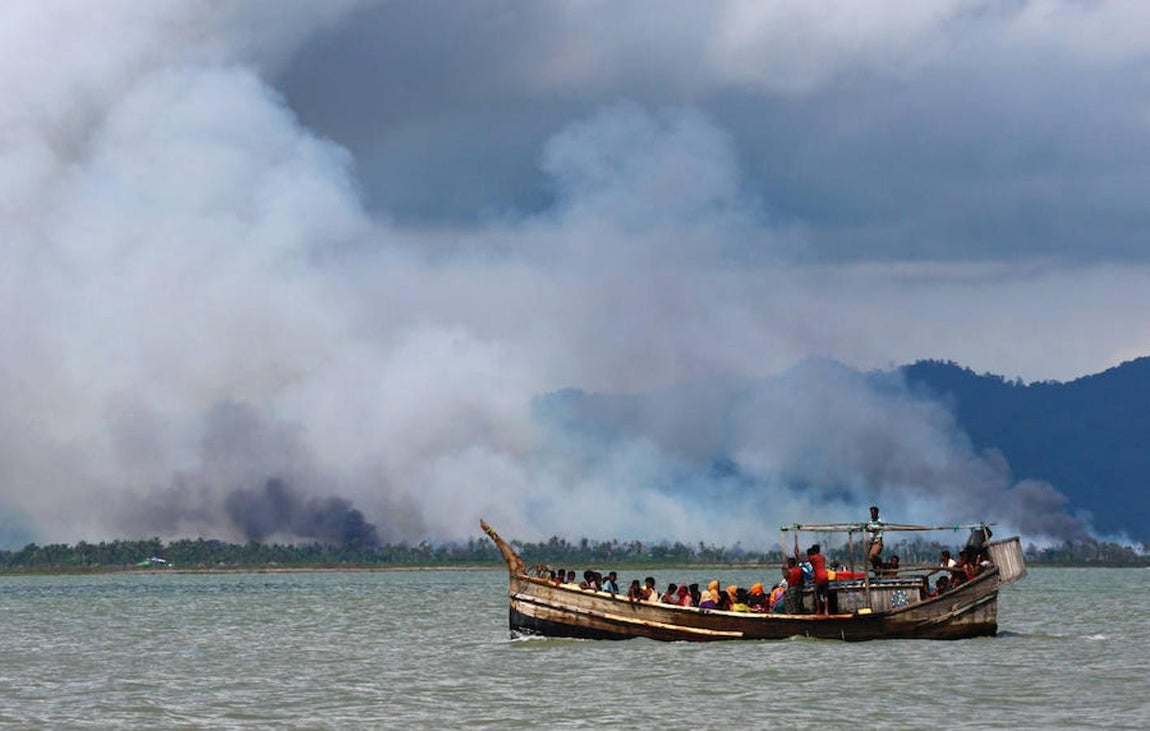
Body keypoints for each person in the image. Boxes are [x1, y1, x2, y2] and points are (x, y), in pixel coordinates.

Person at [808, 544, 830, 615]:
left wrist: (797, 555)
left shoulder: (812, 557)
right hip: (825, 576)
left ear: (813, 551)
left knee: (817, 595)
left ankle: (818, 610)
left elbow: (803, 561)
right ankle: (826, 611)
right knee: (825, 595)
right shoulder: (822, 557)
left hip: (819, 578)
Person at [867, 505, 885, 573]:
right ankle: (876, 568)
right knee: (870, 557)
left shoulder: (879, 521)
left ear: (877, 513)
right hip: (872, 542)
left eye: (873, 513)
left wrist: (870, 529)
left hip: (878, 541)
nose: (872, 514)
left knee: (873, 555)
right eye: (871, 513)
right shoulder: (870, 521)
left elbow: (875, 529)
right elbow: (869, 529)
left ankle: (880, 564)